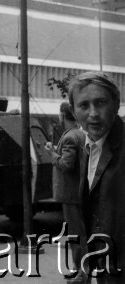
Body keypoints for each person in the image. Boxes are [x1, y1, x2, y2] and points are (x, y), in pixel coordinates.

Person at [68, 71, 125, 283]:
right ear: (74, 112)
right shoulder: (89, 147)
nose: (93, 113)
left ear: (116, 104)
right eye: (84, 106)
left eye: (100, 102)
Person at [45, 102, 87, 283]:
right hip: (78, 192)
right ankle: (82, 270)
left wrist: (51, 154)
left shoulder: (70, 137)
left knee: (76, 234)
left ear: (62, 115)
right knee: (81, 233)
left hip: (70, 194)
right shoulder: (80, 134)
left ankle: (81, 273)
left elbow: (66, 165)